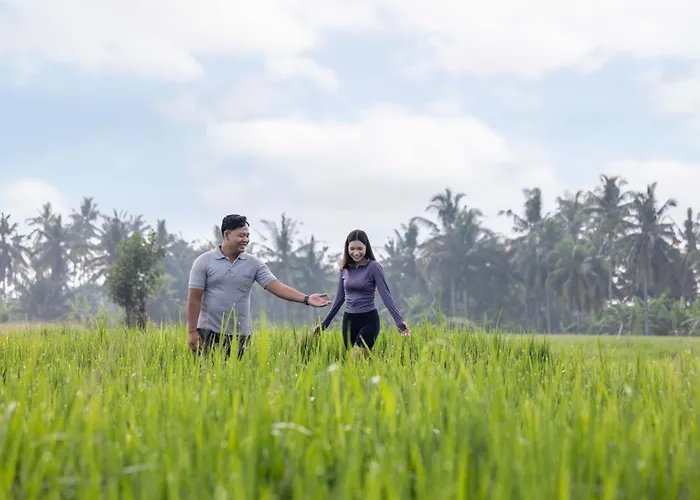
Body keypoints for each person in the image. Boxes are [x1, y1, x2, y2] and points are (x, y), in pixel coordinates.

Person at [187, 213, 330, 359]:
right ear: (227, 235)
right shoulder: (204, 261)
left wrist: (306, 299)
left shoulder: (254, 264)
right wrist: (192, 331)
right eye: (241, 236)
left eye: (247, 236)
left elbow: (278, 287)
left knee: (235, 372)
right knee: (206, 372)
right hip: (208, 332)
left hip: (240, 335)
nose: (245, 240)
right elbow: (194, 298)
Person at [313, 229, 409, 357]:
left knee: (355, 358)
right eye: (352, 249)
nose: (356, 252)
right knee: (355, 365)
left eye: (360, 248)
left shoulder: (374, 267)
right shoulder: (344, 269)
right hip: (348, 321)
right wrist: (324, 324)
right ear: (347, 249)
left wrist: (399, 322)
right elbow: (339, 298)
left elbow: (386, 295)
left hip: (368, 320)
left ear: (366, 247)